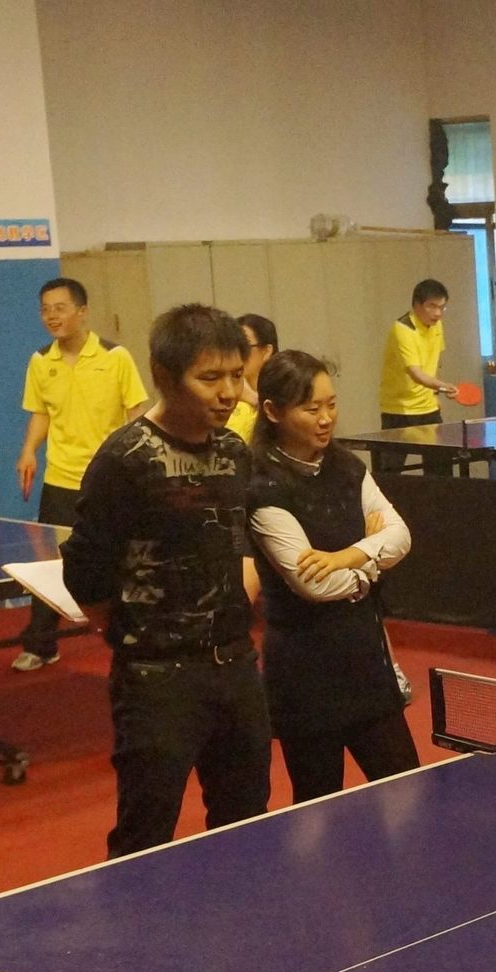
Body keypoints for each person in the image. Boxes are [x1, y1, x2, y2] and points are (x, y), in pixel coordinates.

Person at [65, 303, 272, 857]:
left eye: (236, 376)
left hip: (236, 666)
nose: (228, 393)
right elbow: (85, 569)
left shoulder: (234, 452)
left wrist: (232, 604)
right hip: (157, 680)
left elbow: (240, 538)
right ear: (164, 375)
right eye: (209, 378)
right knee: (146, 833)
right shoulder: (125, 458)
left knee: (247, 824)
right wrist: (134, 635)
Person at [247, 350, 421, 802]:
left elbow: (400, 536)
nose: (326, 418)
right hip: (304, 676)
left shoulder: (347, 467)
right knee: (318, 804)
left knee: (409, 791)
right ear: (273, 411)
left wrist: (347, 556)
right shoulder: (262, 487)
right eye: (311, 409)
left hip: (366, 662)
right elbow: (314, 583)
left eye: (331, 404)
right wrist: (372, 564)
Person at [14, 276, 149, 671]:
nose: (51, 316)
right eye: (45, 310)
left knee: (123, 559)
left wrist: (132, 463)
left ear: (82, 312)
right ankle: (41, 644)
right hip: (59, 479)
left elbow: (136, 411)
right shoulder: (41, 361)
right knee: (49, 563)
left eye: (60, 308)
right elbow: (41, 413)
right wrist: (28, 450)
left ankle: (134, 634)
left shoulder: (115, 356)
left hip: (106, 480)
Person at [376, 278, 474, 475]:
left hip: (428, 409)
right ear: (416, 305)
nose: (438, 313)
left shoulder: (437, 326)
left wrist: (436, 393)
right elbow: (416, 374)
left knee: (441, 470)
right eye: (432, 306)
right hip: (398, 411)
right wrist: (444, 387)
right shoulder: (403, 329)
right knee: (389, 473)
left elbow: (434, 363)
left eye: (442, 307)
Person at [226, 312, 280, 446]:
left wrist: (255, 400)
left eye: (244, 347)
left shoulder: (285, 389)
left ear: (266, 351)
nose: (237, 354)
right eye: (231, 347)